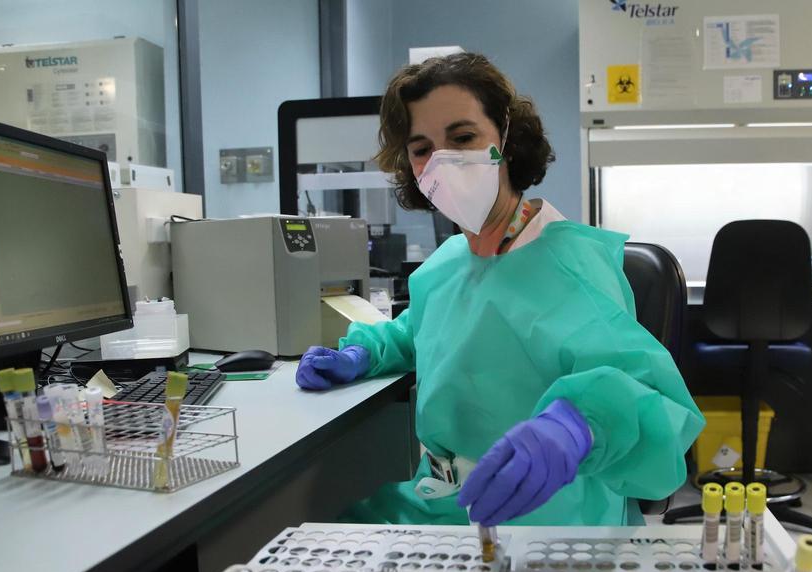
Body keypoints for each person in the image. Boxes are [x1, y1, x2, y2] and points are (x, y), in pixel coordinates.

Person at [294, 53, 704, 526]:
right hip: (442, 499)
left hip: (546, 510)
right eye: (421, 148)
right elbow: (423, 329)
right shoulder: (450, 262)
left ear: (507, 139)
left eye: (463, 138)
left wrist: (577, 428)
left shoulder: (568, 265)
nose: (441, 163)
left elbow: (647, 396)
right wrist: (363, 353)